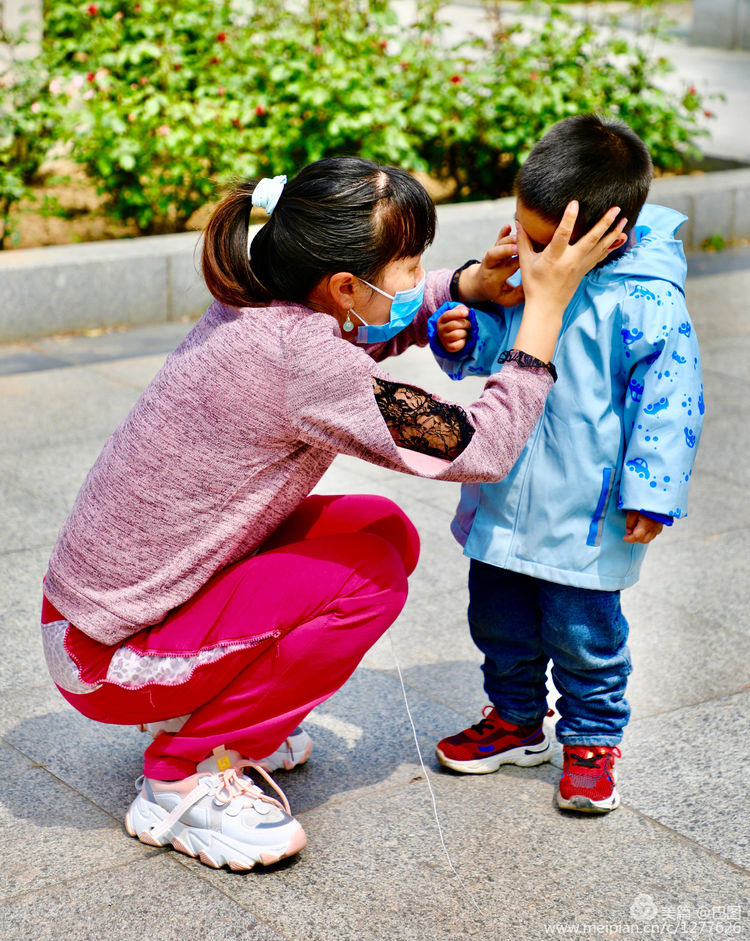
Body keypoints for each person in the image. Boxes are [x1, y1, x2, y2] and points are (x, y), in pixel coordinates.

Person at [41, 155, 625, 871]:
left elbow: (367, 329)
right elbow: (481, 444)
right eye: (411, 265)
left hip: (101, 619)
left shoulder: (266, 303)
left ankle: (219, 712)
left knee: (381, 530)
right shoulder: (303, 359)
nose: (418, 279)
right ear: (345, 284)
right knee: (369, 580)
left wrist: (468, 286)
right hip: (103, 658)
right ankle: (182, 774)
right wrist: (544, 310)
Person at [429, 115, 704, 813]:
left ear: (609, 234)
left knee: (585, 634)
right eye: (524, 230)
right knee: (498, 621)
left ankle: (591, 737)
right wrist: (467, 331)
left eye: (546, 240)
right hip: (506, 492)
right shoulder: (527, 263)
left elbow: (669, 402)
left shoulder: (647, 302)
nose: (530, 251)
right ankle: (516, 719)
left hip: (589, 508)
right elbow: (502, 345)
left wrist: (653, 490)